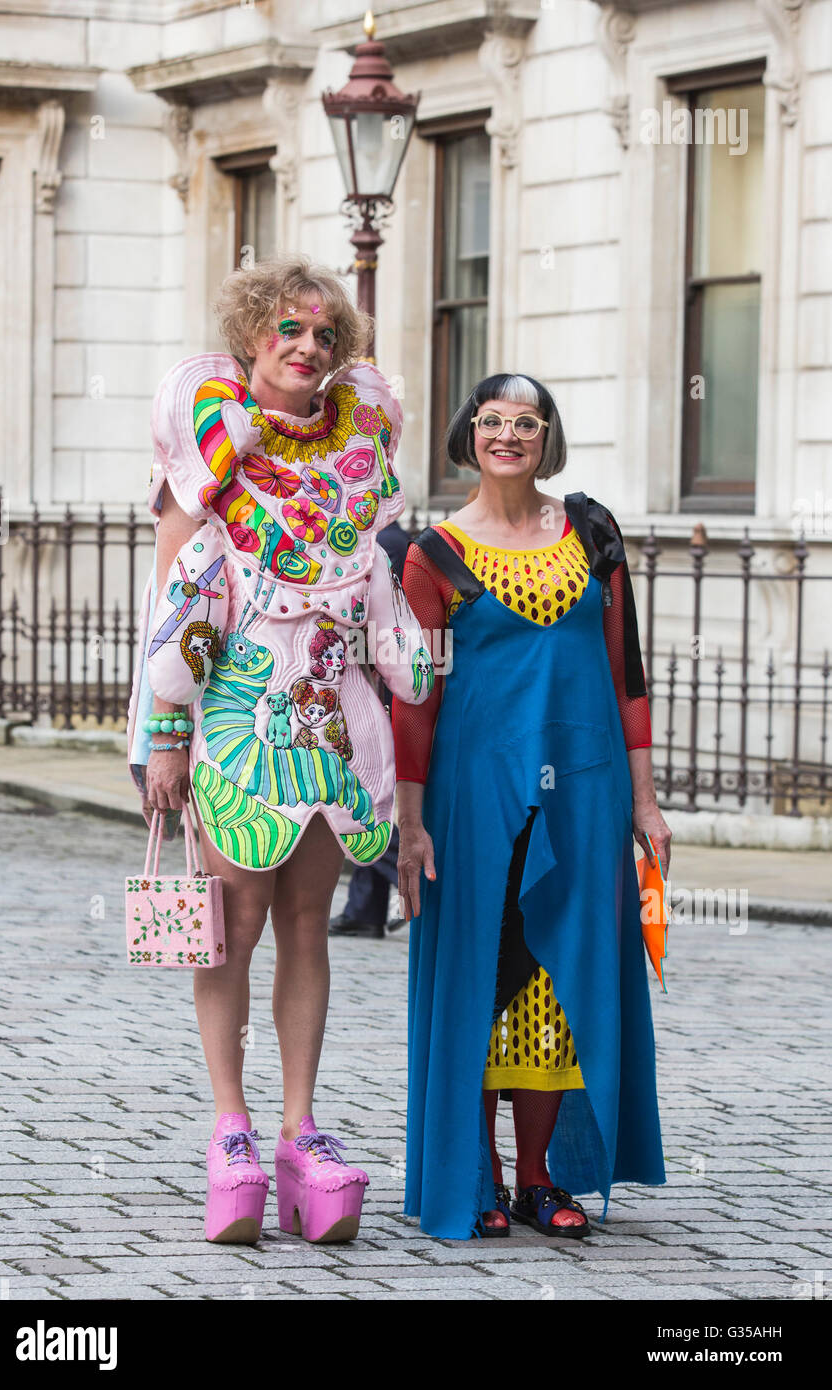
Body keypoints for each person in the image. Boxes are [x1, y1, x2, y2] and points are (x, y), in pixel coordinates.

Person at [126, 255, 433, 1245]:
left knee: (310, 921)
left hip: (334, 732)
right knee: (229, 922)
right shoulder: (211, 462)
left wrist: (417, 667)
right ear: (252, 339)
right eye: (288, 332)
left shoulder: (353, 464)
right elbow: (177, 604)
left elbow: (382, 607)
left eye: (324, 337)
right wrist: (162, 735)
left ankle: (301, 1126)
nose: (307, 349)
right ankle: (231, 1130)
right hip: (234, 732)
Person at [393, 373, 671, 1240]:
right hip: (473, 793)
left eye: (525, 422)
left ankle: (539, 1178)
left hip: (585, 789)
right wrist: (409, 821)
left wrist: (647, 802)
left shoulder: (591, 530)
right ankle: (472, 1176)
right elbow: (415, 693)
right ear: (467, 433)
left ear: (547, 436)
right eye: (492, 421)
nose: (507, 436)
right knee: (480, 972)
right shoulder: (431, 555)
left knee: (559, 979)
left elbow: (627, 671)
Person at [330, 519, 410, 939]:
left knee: (357, 803)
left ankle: (421, 880)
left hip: (377, 686)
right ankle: (365, 908)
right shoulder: (384, 536)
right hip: (381, 682)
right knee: (367, 795)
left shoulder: (381, 542)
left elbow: (384, 627)